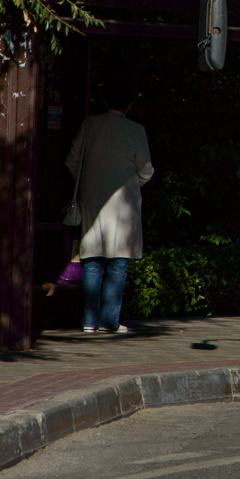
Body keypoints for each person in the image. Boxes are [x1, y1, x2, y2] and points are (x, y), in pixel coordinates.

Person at [65, 76, 153, 334]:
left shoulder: (90, 125)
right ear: (130, 104)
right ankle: (109, 321)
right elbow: (146, 170)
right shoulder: (136, 131)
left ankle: (88, 321)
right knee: (118, 259)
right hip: (123, 202)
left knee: (92, 256)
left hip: (92, 196)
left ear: (105, 100)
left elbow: (72, 161)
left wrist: (86, 183)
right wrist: (131, 184)